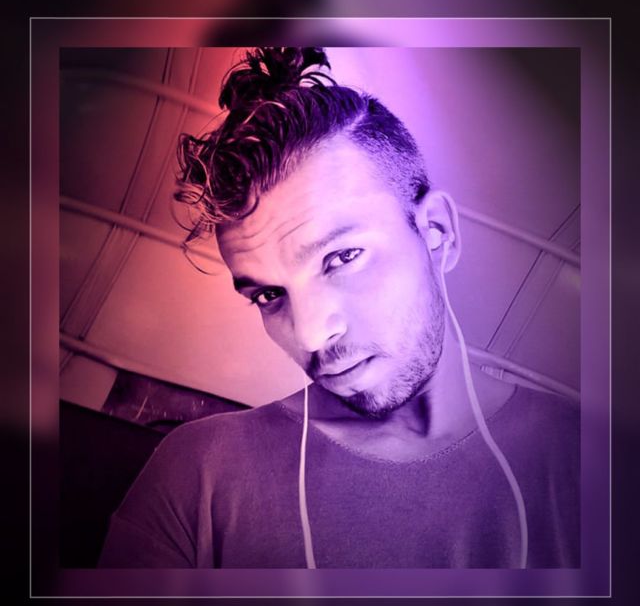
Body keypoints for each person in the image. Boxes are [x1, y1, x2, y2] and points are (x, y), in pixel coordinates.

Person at [99, 47, 579, 569]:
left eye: (342, 258)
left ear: (436, 232)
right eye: (268, 295)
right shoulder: (198, 476)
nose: (310, 334)